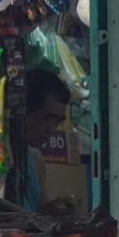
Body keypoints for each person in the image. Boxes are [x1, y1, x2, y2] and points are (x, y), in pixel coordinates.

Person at [21, 71, 72, 211]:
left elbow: (40, 214)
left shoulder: (36, 160)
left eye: (57, 122)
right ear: (24, 111)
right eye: (47, 118)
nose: (52, 130)